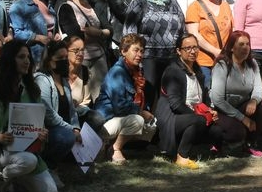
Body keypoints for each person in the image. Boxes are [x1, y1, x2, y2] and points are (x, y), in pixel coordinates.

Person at [0, 40, 57, 192]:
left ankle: (8, 181)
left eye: (28, 57)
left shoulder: (32, 90)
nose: (27, 61)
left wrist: (42, 134)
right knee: (29, 161)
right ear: (9, 60)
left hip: (25, 151)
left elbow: (39, 124)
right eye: (21, 57)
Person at [156, 33, 222, 169]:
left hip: (193, 116)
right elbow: (175, 104)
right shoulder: (173, 71)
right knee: (198, 121)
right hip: (172, 118)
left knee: (217, 130)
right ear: (178, 51)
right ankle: (181, 156)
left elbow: (204, 98)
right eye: (188, 48)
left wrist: (210, 111)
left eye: (195, 47)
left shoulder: (197, 71)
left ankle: (203, 148)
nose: (193, 51)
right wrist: (198, 116)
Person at [123, 0, 185, 108]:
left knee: (171, 98)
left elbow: (182, 28)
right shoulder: (139, 3)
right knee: (150, 98)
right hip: (148, 60)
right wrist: (134, 59)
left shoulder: (173, 3)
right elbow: (129, 35)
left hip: (171, 59)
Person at [93, 34, 156, 164]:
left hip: (119, 119)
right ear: (123, 51)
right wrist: (140, 112)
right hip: (107, 120)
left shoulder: (136, 73)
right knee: (137, 120)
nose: (139, 54)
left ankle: (109, 145)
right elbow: (120, 106)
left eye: (142, 51)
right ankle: (114, 148)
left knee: (151, 126)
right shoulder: (117, 72)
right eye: (135, 50)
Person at [210, 31, 262, 156]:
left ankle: (250, 143)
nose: (245, 48)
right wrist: (243, 119)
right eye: (241, 44)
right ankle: (220, 144)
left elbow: (259, 89)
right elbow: (217, 100)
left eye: (247, 44)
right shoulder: (222, 65)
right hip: (223, 111)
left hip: (243, 107)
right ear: (232, 47)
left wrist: (253, 101)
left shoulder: (252, 64)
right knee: (238, 131)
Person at [57, 0, 112, 103]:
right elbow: (75, 37)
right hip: (81, 60)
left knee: (102, 97)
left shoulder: (93, 5)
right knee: (82, 100)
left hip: (99, 58)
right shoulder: (66, 8)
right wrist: (101, 33)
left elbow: (109, 29)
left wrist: (96, 32)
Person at [34, 40, 83, 186]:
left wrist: (76, 127)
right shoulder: (42, 80)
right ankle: (50, 165)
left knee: (93, 119)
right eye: (59, 59)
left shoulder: (63, 79)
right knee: (67, 136)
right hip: (50, 129)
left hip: (64, 125)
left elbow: (71, 109)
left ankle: (71, 160)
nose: (64, 62)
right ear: (49, 61)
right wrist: (70, 129)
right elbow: (48, 113)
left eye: (65, 58)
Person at [185, 0, 233, 87]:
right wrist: (215, 51)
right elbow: (194, 34)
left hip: (225, 60)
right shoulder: (194, 7)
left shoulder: (225, 5)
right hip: (204, 62)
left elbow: (233, 31)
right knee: (207, 94)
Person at [9, 0, 55, 65]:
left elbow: (51, 25)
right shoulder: (19, 6)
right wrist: (37, 37)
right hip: (35, 55)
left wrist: (56, 35)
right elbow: (17, 33)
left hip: (51, 54)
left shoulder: (47, 1)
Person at [65, 35, 106, 133]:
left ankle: (82, 145)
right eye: (75, 50)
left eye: (82, 50)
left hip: (78, 112)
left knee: (97, 119)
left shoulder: (85, 71)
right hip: (61, 112)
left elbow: (86, 101)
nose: (80, 54)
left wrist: (77, 108)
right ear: (65, 51)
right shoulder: (59, 72)